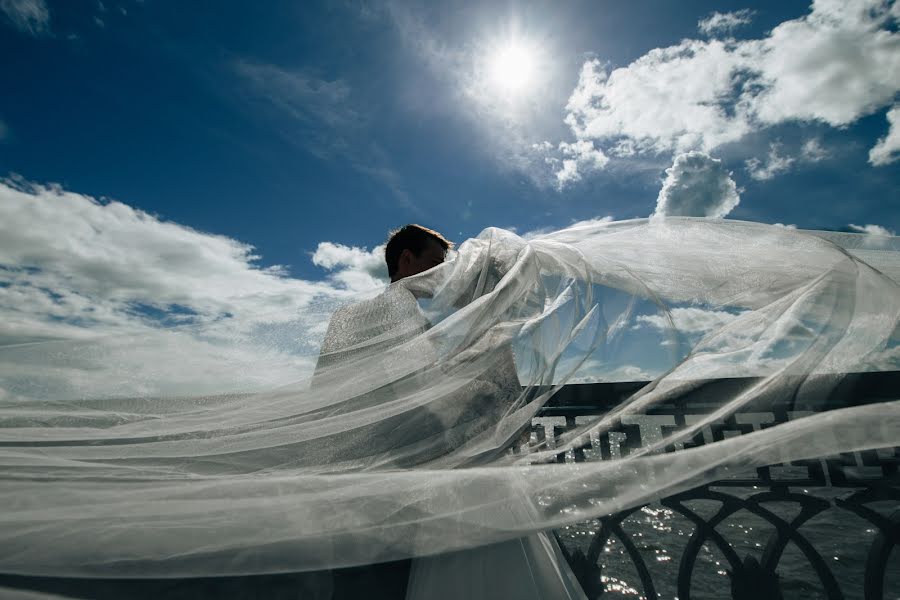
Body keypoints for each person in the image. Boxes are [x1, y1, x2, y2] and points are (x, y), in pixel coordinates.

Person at [315, 224, 587, 600]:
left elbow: (323, 395)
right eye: (436, 263)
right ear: (406, 260)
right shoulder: (399, 314)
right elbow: (421, 397)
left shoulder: (345, 317)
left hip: (348, 485)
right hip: (398, 487)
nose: (446, 275)